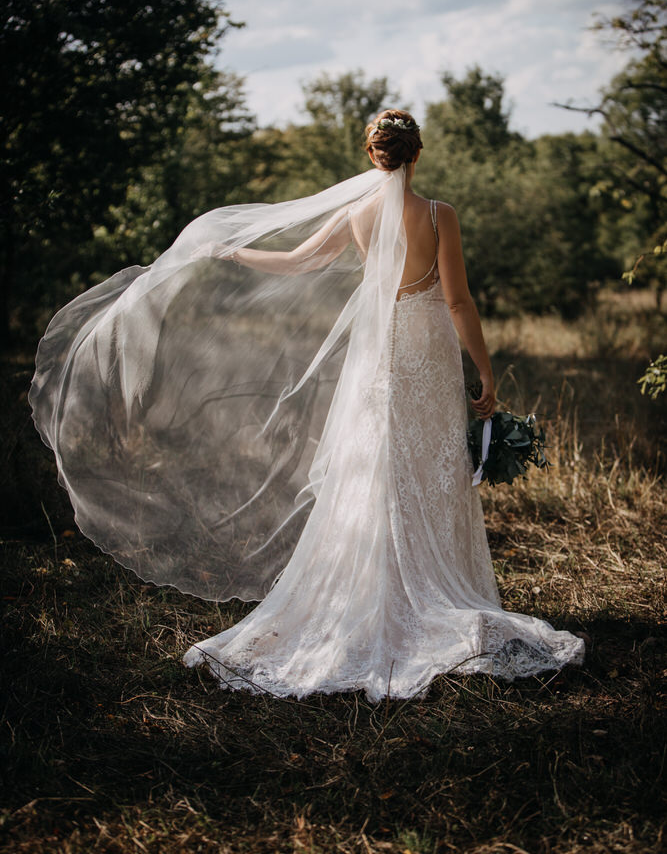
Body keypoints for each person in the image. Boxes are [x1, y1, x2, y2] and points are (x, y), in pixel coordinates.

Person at [30, 108, 585, 702]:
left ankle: (373, 591)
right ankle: (431, 590)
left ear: (374, 155)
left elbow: (300, 261)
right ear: (416, 154)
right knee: (426, 467)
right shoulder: (436, 215)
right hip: (424, 354)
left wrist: (235, 254)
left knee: (374, 466)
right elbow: (457, 301)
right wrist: (485, 370)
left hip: (378, 355)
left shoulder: (358, 212)